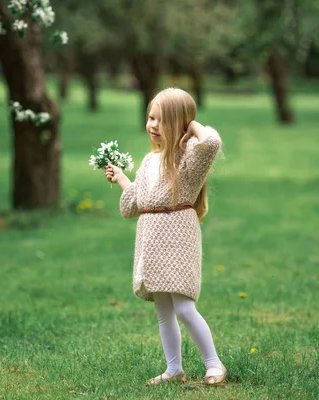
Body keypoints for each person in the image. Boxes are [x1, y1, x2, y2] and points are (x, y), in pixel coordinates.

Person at [104, 88, 225, 386]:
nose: (153, 125)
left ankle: (214, 364)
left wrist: (190, 126)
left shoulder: (188, 159)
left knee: (184, 307)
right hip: (151, 242)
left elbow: (211, 142)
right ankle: (174, 370)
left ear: (181, 124)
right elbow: (136, 203)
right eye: (151, 118)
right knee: (164, 312)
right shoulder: (149, 161)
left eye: (163, 120)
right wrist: (122, 179)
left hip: (178, 238)